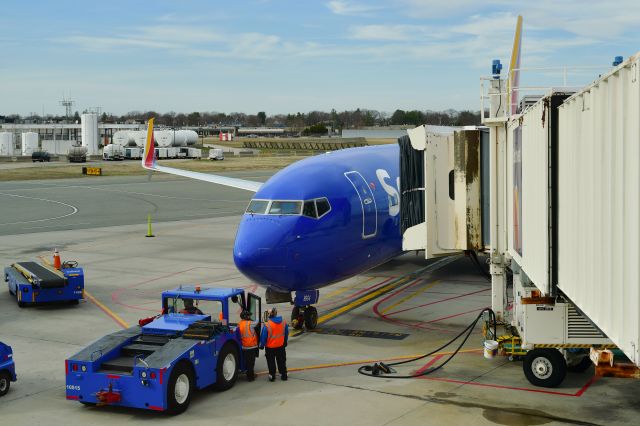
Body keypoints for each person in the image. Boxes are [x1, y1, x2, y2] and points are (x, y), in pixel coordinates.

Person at [260, 307, 289, 382]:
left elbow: (263, 337)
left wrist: (262, 345)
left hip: (270, 347)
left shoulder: (267, 325)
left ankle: (272, 376)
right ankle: (284, 375)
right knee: (281, 360)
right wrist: (285, 341)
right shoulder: (283, 322)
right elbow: (286, 333)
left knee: (271, 362)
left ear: (269, 315)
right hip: (280, 346)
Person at [235, 310, 259, 381]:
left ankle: (249, 374)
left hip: (244, 346)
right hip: (251, 346)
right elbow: (257, 321)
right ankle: (250, 377)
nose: (250, 317)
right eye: (249, 315)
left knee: (247, 362)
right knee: (251, 363)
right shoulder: (250, 323)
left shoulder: (239, 324)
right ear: (246, 316)